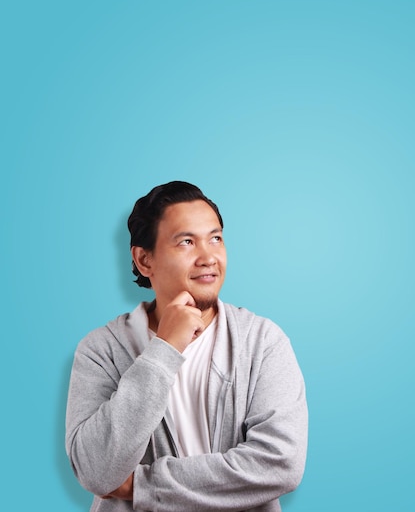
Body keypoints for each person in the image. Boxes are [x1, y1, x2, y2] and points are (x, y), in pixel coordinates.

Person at [65, 181, 308, 511]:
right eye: (186, 242)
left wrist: (143, 486)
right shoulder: (101, 349)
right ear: (143, 260)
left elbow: (281, 465)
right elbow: (96, 473)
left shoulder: (262, 341)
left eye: (215, 238)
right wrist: (164, 348)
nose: (208, 257)